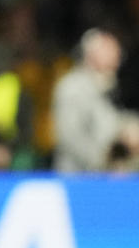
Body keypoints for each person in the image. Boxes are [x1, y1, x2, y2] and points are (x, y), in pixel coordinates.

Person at [53, 28, 123, 172]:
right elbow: (70, 136)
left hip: (103, 177)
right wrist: (103, 161)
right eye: (110, 51)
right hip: (79, 179)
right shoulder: (73, 87)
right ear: (92, 55)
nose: (117, 57)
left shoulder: (107, 87)